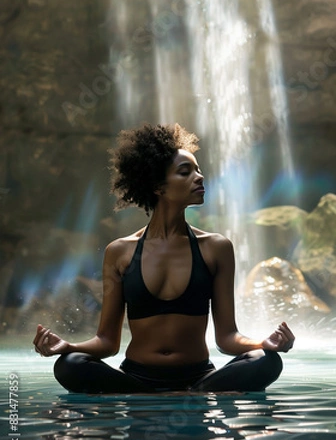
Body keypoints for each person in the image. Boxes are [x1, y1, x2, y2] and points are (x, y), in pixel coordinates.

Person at [33, 123, 295, 394]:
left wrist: (264, 343)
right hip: (136, 379)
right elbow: (107, 342)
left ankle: (182, 395)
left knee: (266, 362)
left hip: (199, 378)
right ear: (158, 186)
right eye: (186, 172)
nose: (200, 177)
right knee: (69, 364)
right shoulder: (120, 252)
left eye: (199, 170)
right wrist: (68, 346)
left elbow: (227, 338)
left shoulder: (216, 248)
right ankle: (179, 398)